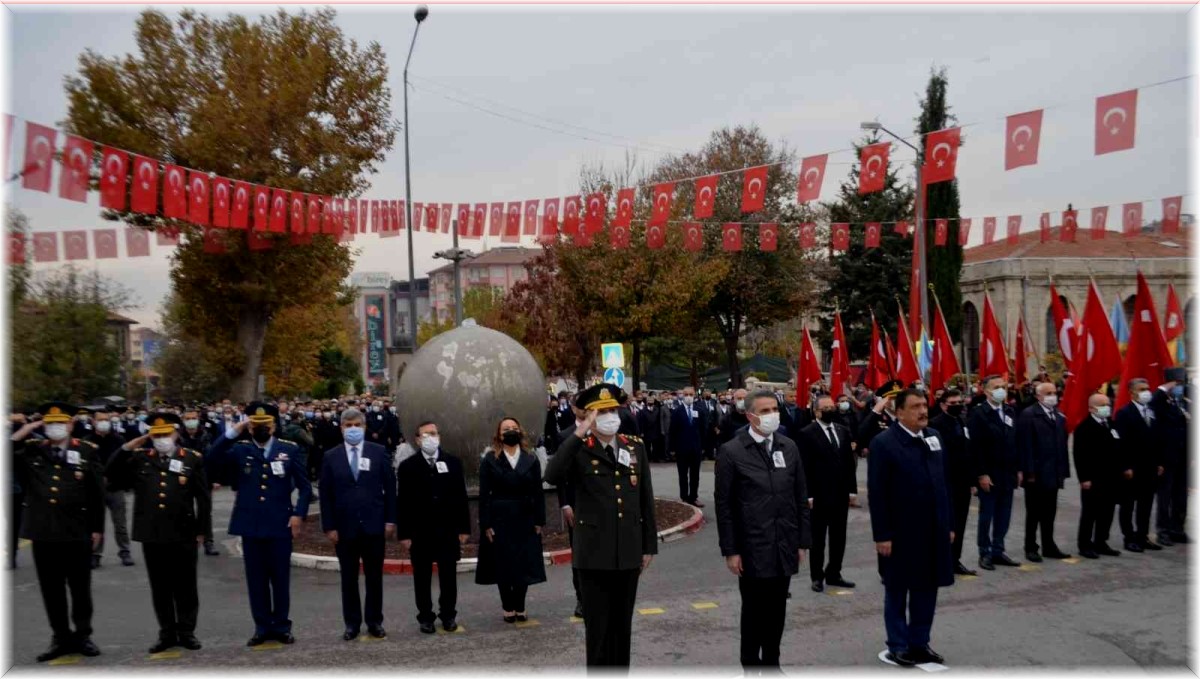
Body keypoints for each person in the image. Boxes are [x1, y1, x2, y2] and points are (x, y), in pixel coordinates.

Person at [545, 383, 657, 668]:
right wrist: (581, 430)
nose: (610, 417)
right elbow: (552, 474)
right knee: (598, 630)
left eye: (613, 410)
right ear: (589, 416)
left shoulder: (634, 446)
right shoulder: (579, 447)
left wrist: (648, 546)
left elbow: (645, 498)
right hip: (593, 554)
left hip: (628, 552)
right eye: (602, 412)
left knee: (622, 627)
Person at [716, 388, 811, 669]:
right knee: (754, 611)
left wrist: (802, 541)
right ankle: (750, 665)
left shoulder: (788, 447)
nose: (772, 415)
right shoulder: (732, 451)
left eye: (774, 409)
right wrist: (731, 550)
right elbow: (724, 506)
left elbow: (800, 497)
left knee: (777, 609)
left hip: (785, 542)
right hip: (752, 546)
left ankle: (772, 663)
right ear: (750, 416)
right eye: (765, 411)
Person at [207, 402, 311, 646]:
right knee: (256, 580)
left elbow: (305, 487)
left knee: (280, 579)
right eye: (255, 425)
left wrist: (298, 514)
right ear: (249, 427)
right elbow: (211, 459)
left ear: (273, 426)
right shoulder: (240, 449)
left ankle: (282, 626)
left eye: (265, 424)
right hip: (250, 524)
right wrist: (233, 432)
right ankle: (262, 627)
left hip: (280, 523)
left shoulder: (289, 449)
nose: (261, 429)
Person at [106, 413, 211, 653]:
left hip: (184, 532)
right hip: (152, 534)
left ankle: (187, 632)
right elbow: (111, 473)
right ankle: (167, 633)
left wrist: (203, 530)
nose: (162, 439)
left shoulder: (191, 458)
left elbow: (203, 498)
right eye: (157, 435)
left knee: (186, 586)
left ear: (176, 434)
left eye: (166, 434)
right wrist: (128, 446)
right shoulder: (141, 459)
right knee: (160, 587)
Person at [10, 404, 105, 662]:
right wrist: (26, 429)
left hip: (77, 530)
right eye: (50, 423)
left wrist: (97, 528)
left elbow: (96, 493)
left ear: (71, 424)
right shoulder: (32, 449)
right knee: (51, 590)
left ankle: (83, 635)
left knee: (80, 588)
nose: (55, 427)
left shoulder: (86, 450)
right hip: (44, 532)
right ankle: (60, 637)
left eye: (60, 422)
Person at [868, 389, 955, 667]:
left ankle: (920, 642)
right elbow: (877, 493)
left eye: (924, 405)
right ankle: (898, 644)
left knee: (927, 588)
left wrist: (948, 524)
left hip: (933, 530)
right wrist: (882, 534)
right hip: (900, 532)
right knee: (897, 589)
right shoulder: (884, 443)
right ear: (899, 412)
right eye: (916, 406)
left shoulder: (933, 437)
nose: (923, 411)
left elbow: (944, 484)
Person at [320, 408, 396, 641]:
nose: (353, 429)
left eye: (357, 425)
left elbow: (390, 489)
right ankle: (352, 623)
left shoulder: (378, 452)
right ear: (341, 428)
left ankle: (374, 621)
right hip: (344, 528)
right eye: (348, 425)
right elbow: (326, 494)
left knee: (374, 578)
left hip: (374, 525)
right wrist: (329, 526)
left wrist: (390, 520)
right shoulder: (330, 456)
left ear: (364, 427)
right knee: (348, 578)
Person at [396, 420, 470, 634]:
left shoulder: (452, 463)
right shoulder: (408, 466)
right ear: (418, 440)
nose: (431, 437)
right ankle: (425, 617)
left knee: (448, 576)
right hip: (420, 532)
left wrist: (464, 528)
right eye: (426, 434)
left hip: (447, 530)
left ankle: (448, 615)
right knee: (422, 577)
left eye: (434, 433)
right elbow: (403, 503)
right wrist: (404, 533)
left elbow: (461, 497)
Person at [475, 418, 547, 622]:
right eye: (506, 429)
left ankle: (520, 605)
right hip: (499, 517)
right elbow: (484, 495)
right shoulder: (490, 459)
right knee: (503, 563)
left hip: (525, 517)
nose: (510, 431)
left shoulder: (531, 458)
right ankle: (508, 605)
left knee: (523, 563)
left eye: (514, 428)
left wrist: (539, 520)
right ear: (499, 434)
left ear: (520, 432)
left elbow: (538, 492)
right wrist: (486, 524)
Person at [798, 395, 855, 592]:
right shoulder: (807, 433)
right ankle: (817, 576)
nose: (831, 410)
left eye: (832, 407)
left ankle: (834, 573)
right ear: (817, 411)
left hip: (840, 494)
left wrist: (852, 490)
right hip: (819, 496)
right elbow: (804, 466)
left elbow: (849, 463)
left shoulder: (842, 430)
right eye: (826, 408)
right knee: (818, 539)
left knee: (839, 537)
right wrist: (808, 495)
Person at [967, 375, 1021, 571]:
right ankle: (985, 552)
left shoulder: (1009, 411)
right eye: (996, 387)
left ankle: (998, 549)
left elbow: (1015, 442)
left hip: (1007, 473)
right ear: (986, 391)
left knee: (1004, 515)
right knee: (987, 515)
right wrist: (981, 474)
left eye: (1003, 386)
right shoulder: (978, 413)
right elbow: (975, 448)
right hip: (989, 474)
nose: (1001, 390)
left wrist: (1018, 469)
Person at [1016, 382, 1071, 562]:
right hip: (1036, 474)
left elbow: (1062, 445)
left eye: (1054, 392)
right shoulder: (1029, 415)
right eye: (1048, 393)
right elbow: (1025, 446)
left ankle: (1049, 545)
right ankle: (1030, 547)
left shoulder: (1059, 416)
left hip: (1053, 472)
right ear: (1038, 396)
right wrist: (1029, 471)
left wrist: (1063, 471)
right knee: (1034, 513)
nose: (1052, 396)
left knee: (1049, 512)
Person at [927, 390, 976, 576]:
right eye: (952, 403)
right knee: (944, 523)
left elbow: (968, 451)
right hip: (945, 481)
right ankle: (940, 560)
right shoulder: (935, 424)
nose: (957, 406)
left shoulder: (962, 421)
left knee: (960, 522)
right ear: (943, 405)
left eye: (959, 402)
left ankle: (955, 559)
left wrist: (972, 480)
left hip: (962, 482)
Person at [1114, 378, 1165, 553]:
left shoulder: (1151, 411)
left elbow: (1157, 439)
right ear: (1132, 392)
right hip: (1132, 468)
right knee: (1128, 505)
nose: (1146, 392)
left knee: (1146, 504)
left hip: (1150, 467)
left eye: (1147, 388)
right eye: (1142, 389)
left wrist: (1159, 462)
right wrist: (1125, 466)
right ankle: (1129, 538)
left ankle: (1142, 536)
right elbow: (1120, 443)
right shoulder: (1124, 413)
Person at [1073, 393, 1122, 558]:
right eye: (1102, 405)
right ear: (1091, 408)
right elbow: (1079, 455)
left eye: (1108, 404)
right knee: (1090, 513)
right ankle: (1085, 544)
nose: (1106, 408)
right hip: (1093, 478)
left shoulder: (1111, 424)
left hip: (1111, 477)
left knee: (1107, 512)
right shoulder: (1084, 428)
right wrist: (1084, 478)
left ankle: (1101, 542)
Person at [86, 407, 134, 569]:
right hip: (94, 489)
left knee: (120, 523)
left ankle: (125, 551)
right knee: (95, 523)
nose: (104, 423)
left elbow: (125, 462)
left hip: (115, 486)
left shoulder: (118, 439)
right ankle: (95, 554)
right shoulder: (87, 441)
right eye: (100, 420)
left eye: (106, 420)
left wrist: (120, 481)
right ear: (93, 422)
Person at [1152, 366, 1189, 545]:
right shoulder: (1161, 402)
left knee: (1181, 496)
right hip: (1166, 457)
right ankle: (1163, 530)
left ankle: (1178, 529)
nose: (1180, 386)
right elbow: (1153, 403)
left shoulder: (1184, 402)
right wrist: (1164, 388)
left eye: (1182, 382)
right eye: (1177, 383)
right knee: (1165, 496)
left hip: (1183, 456)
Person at [179, 407, 219, 557]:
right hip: (184, 478)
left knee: (205, 511)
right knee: (185, 511)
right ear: (183, 420)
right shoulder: (178, 437)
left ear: (198, 419)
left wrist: (215, 479)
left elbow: (213, 457)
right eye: (188, 418)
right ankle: (187, 541)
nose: (191, 421)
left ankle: (208, 541)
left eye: (193, 418)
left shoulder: (206, 435)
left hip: (203, 478)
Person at [669, 386, 706, 507]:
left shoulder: (699, 410)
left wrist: (703, 446)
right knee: (683, 475)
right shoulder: (677, 411)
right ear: (682, 396)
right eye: (686, 394)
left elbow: (703, 429)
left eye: (691, 394)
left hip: (696, 448)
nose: (688, 397)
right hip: (681, 449)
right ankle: (684, 497)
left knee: (695, 475)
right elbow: (672, 431)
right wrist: (672, 448)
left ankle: (694, 497)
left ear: (694, 395)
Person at [857, 380, 902, 459]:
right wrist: (875, 411)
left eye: (900, 398)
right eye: (893, 398)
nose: (897, 401)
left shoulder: (904, 417)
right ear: (885, 401)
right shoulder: (876, 416)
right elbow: (861, 432)